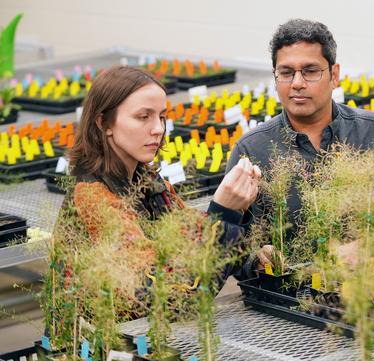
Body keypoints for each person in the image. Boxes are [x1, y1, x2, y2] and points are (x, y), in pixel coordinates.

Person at [60, 66, 262, 290]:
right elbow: (169, 295)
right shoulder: (92, 196)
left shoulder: (147, 182)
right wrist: (223, 213)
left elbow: (188, 242)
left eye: (162, 117)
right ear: (104, 123)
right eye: (143, 117)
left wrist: (253, 262)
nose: (158, 128)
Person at [223, 19, 374, 267]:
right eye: (286, 73)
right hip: (288, 297)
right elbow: (229, 245)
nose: (297, 83)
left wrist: (370, 244)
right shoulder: (250, 151)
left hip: (369, 287)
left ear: (334, 75)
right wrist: (256, 259)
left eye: (310, 71)